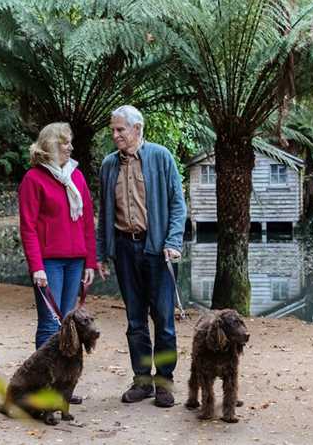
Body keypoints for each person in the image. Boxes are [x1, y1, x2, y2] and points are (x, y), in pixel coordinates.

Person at [96, 105, 187, 408]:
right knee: (135, 320)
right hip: (124, 248)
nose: (115, 135)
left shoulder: (161, 157)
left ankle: (163, 383)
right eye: (113, 129)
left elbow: (177, 203)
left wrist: (173, 241)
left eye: (120, 129)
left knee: (163, 320)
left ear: (137, 129)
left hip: (157, 249)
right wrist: (101, 252)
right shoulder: (109, 165)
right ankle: (142, 382)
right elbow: (104, 213)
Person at [19, 122, 98, 379]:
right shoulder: (33, 179)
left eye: (70, 142)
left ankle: (63, 383)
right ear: (50, 145)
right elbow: (28, 227)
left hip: (76, 261)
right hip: (49, 263)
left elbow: (87, 221)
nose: (70, 147)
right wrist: (37, 267)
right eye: (64, 143)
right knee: (50, 324)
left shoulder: (76, 176)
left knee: (69, 325)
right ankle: (41, 383)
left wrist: (90, 262)